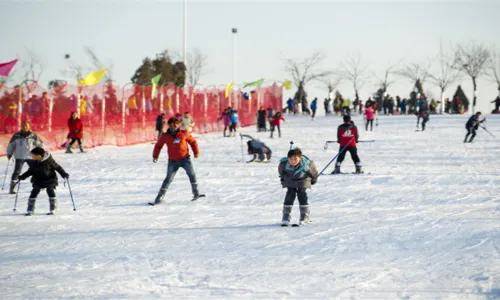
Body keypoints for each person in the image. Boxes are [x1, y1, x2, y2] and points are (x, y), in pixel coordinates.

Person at [151, 117, 204, 205]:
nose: (174, 126)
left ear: (178, 124)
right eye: (172, 125)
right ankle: (159, 197)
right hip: (173, 161)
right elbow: (158, 146)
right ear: (169, 125)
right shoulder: (165, 136)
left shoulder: (184, 133)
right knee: (168, 179)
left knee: (192, 175)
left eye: (175, 124)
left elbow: (193, 142)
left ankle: (196, 193)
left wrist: (196, 152)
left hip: (185, 159)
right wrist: (155, 156)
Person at [18, 147, 69, 215]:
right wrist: (22, 177)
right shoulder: (33, 162)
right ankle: (30, 209)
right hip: (38, 179)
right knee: (34, 191)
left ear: (38, 155)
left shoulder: (49, 160)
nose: (32, 156)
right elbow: (30, 171)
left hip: (50, 179)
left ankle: (53, 208)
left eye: (33, 155)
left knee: (50, 190)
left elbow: (57, 167)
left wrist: (64, 174)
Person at [278, 148, 318, 226]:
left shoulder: (308, 164)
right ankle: (286, 216)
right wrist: (286, 178)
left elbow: (314, 175)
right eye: (290, 159)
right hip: (290, 180)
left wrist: (308, 172)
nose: (293, 161)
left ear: (300, 158)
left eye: (295, 159)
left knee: (301, 194)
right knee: (290, 194)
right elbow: (281, 173)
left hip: (303, 180)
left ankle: (304, 216)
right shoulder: (283, 164)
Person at [6, 121, 43, 194]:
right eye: (23, 126)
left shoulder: (34, 135)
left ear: (29, 126)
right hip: (20, 156)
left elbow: (40, 145)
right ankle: (12, 188)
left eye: (26, 126)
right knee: (17, 172)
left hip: (31, 157)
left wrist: (40, 154)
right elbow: (11, 145)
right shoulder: (16, 135)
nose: (24, 127)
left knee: (36, 171)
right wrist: (9, 153)